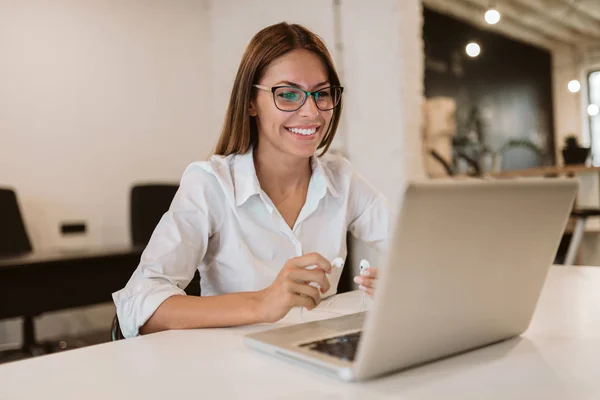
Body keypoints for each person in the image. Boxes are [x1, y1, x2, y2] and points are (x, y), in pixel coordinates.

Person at [113, 22, 389, 338]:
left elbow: (414, 242)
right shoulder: (210, 184)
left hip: (318, 360)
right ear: (250, 103)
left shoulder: (342, 179)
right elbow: (139, 302)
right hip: (236, 370)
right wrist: (262, 303)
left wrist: (406, 280)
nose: (312, 112)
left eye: (322, 94)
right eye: (288, 94)